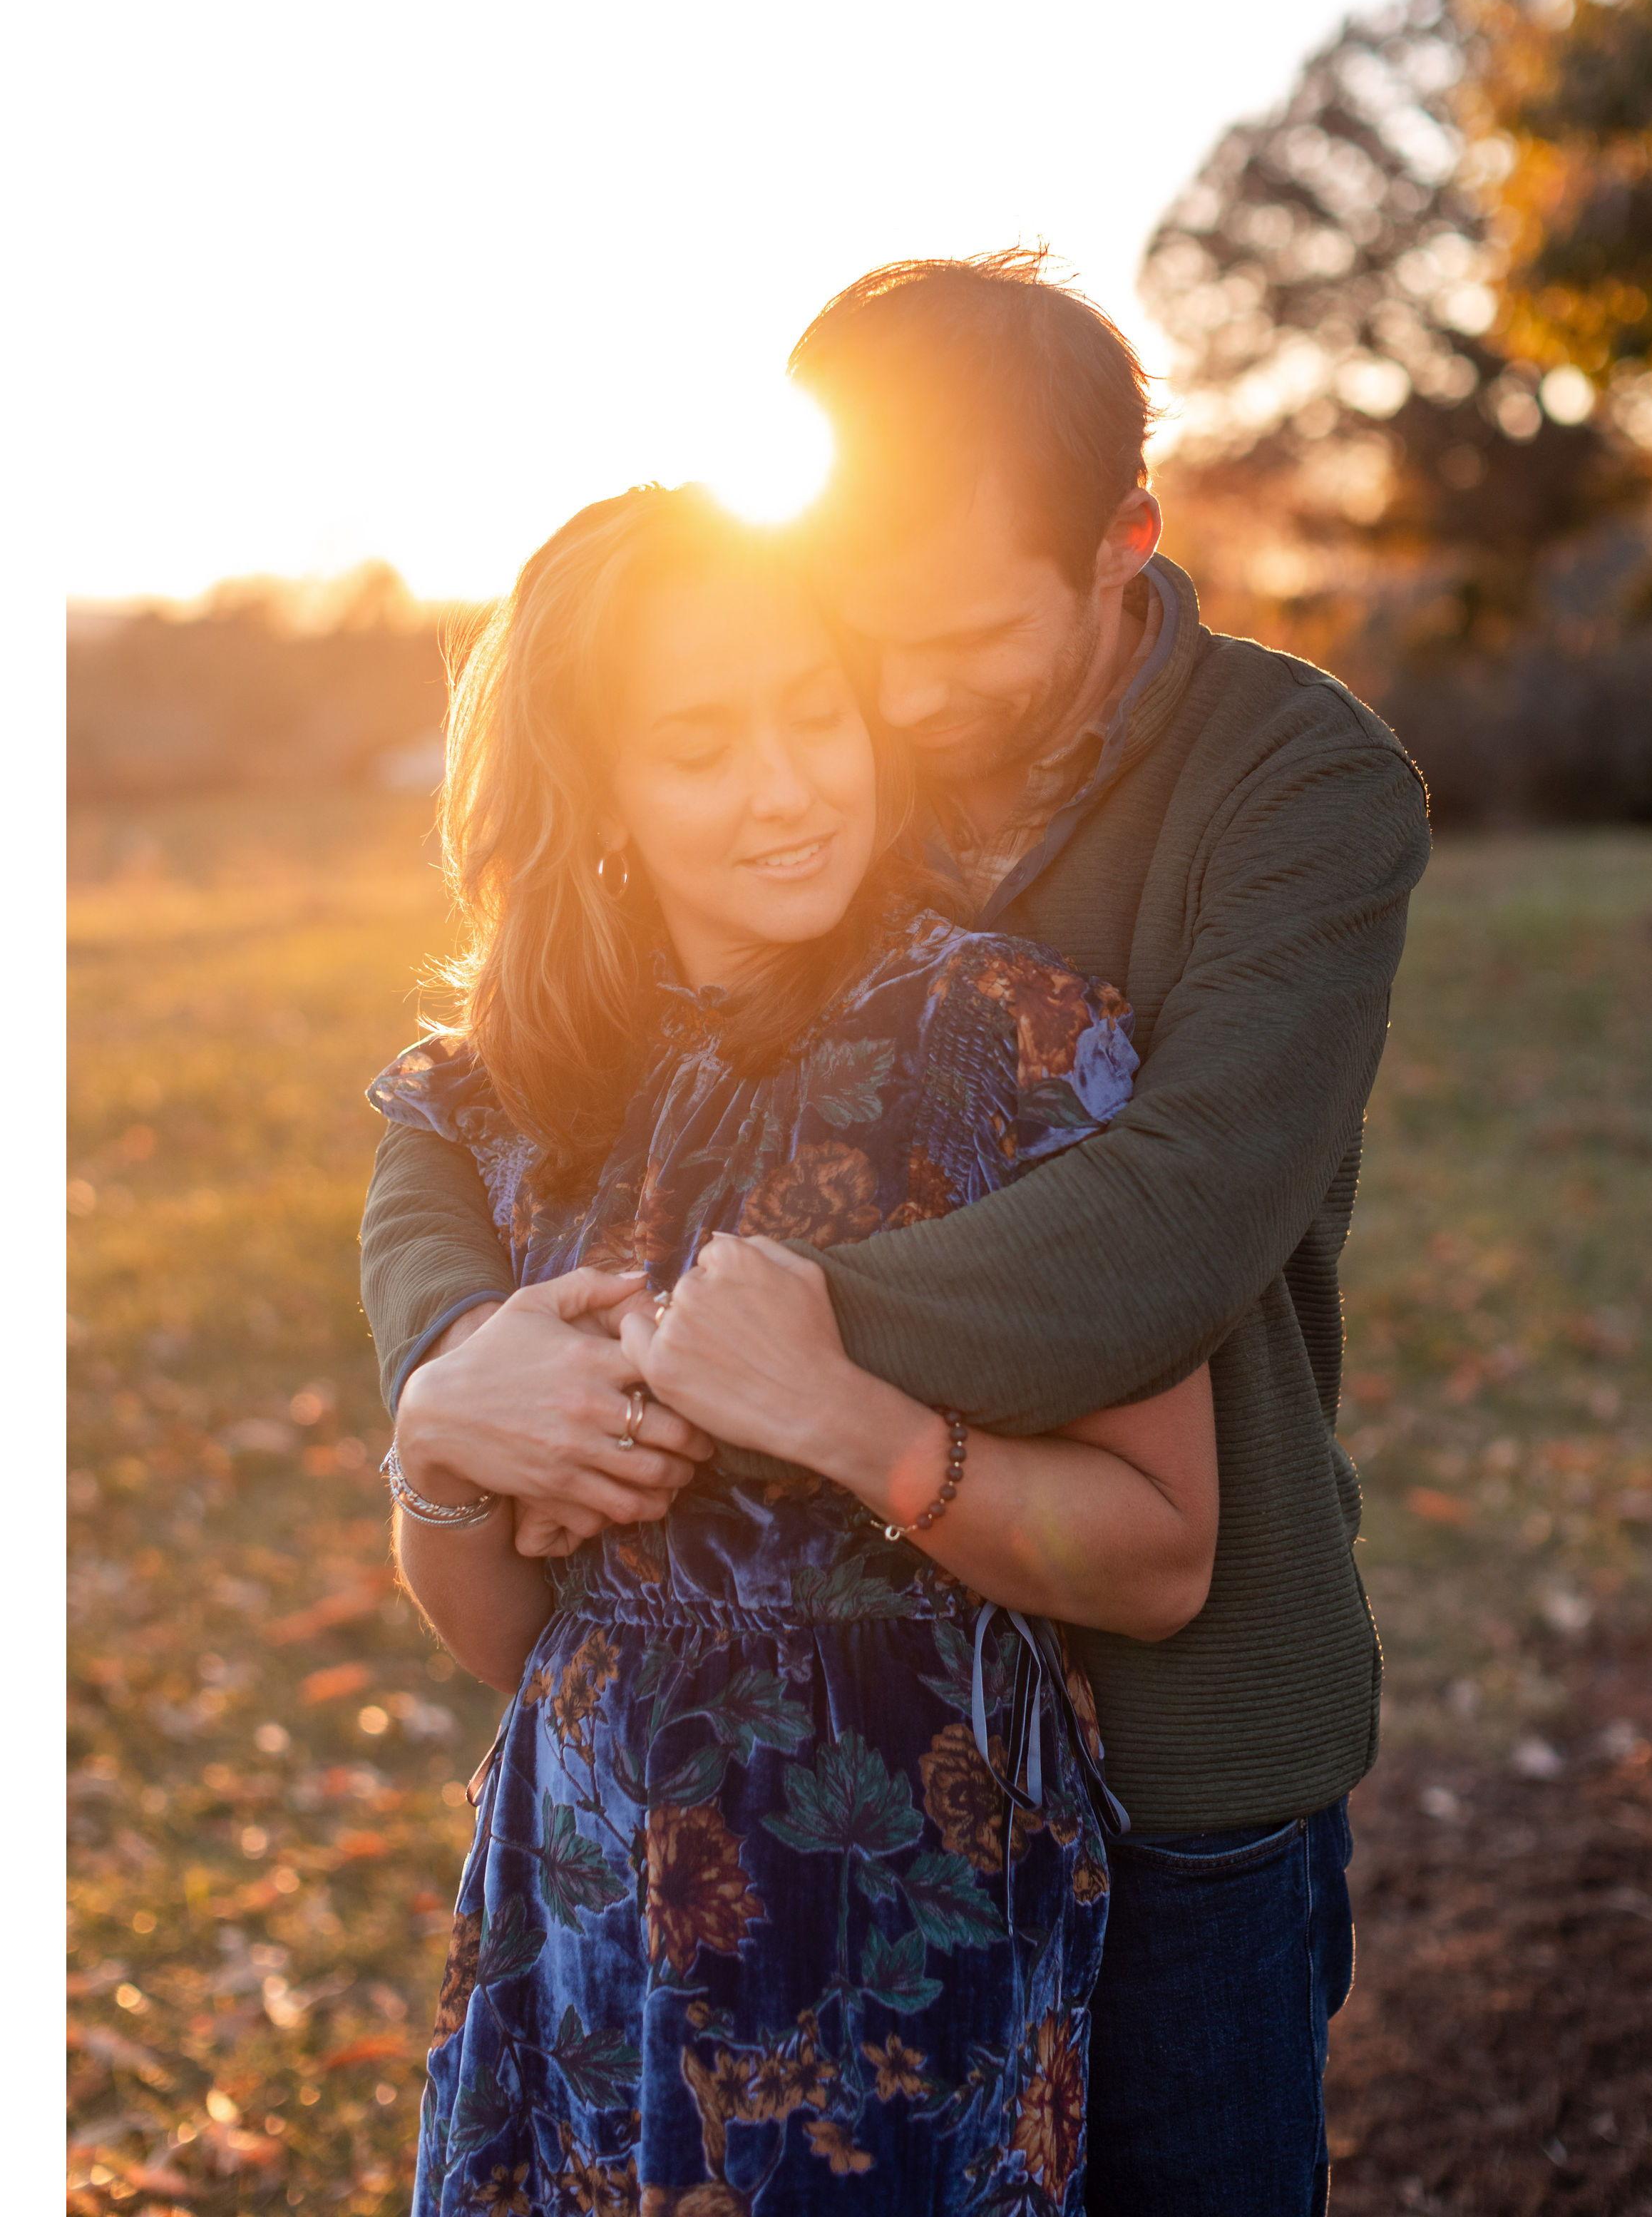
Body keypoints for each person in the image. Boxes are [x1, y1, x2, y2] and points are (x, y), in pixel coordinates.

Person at [364, 252, 1432, 2216]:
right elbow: (467, 1114)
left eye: (960, 644)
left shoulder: (1294, 788)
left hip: (1164, 1748)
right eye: (872, 642)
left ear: (1125, 543)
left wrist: (730, 1352)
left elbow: (1171, 1222)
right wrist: (453, 1372)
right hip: (694, 1852)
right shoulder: (827, 751)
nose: (900, 706)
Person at [376, 482, 1221, 2216]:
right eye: (699, 748)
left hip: (909, 1922)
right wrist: (442, 1443)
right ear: (596, 789)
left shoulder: (1019, 1041)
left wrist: (852, 1425)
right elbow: (514, 1639)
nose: (784, 787)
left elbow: (1160, 1556)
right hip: (586, 1897)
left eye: (814, 715)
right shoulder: (497, 1101)